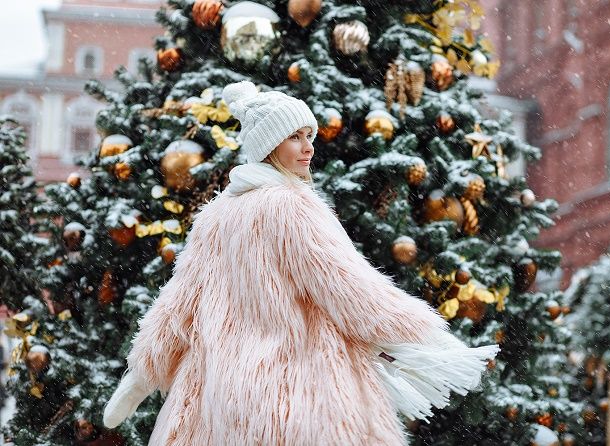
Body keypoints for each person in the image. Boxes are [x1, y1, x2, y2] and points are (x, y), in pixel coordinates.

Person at [102, 81, 499, 445]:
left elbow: (177, 303)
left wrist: (138, 380)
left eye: (309, 135)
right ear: (269, 146)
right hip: (296, 390)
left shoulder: (219, 214)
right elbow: (350, 289)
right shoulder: (291, 206)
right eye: (294, 137)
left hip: (222, 393)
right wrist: (434, 340)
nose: (309, 146)